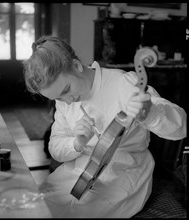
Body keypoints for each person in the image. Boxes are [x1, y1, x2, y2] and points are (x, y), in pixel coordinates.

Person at [23, 35, 187, 218]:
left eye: (66, 90)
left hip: (124, 172)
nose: (67, 101)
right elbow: (55, 148)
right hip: (79, 172)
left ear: (77, 66)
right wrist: (76, 143)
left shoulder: (123, 83)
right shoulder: (64, 102)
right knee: (38, 206)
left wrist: (149, 112)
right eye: (58, 98)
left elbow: (181, 127)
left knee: (82, 212)